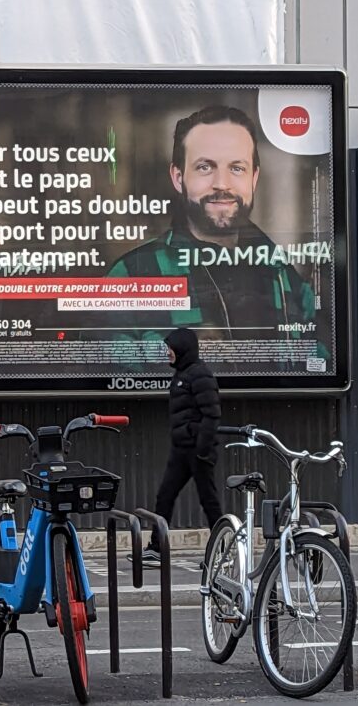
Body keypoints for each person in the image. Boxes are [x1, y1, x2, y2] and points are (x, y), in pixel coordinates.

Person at [106, 105, 318, 346]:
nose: (222, 184)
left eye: (237, 168)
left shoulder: (285, 275)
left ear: (254, 178)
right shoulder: (133, 274)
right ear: (178, 178)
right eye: (205, 167)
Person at [140, 326, 222, 565]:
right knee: (165, 495)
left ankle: (223, 549)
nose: (168, 353)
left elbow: (212, 415)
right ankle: (156, 547)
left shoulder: (200, 375)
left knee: (209, 501)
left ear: (182, 349)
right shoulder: (182, 374)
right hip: (181, 450)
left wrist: (203, 450)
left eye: (171, 349)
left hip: (197, 450)